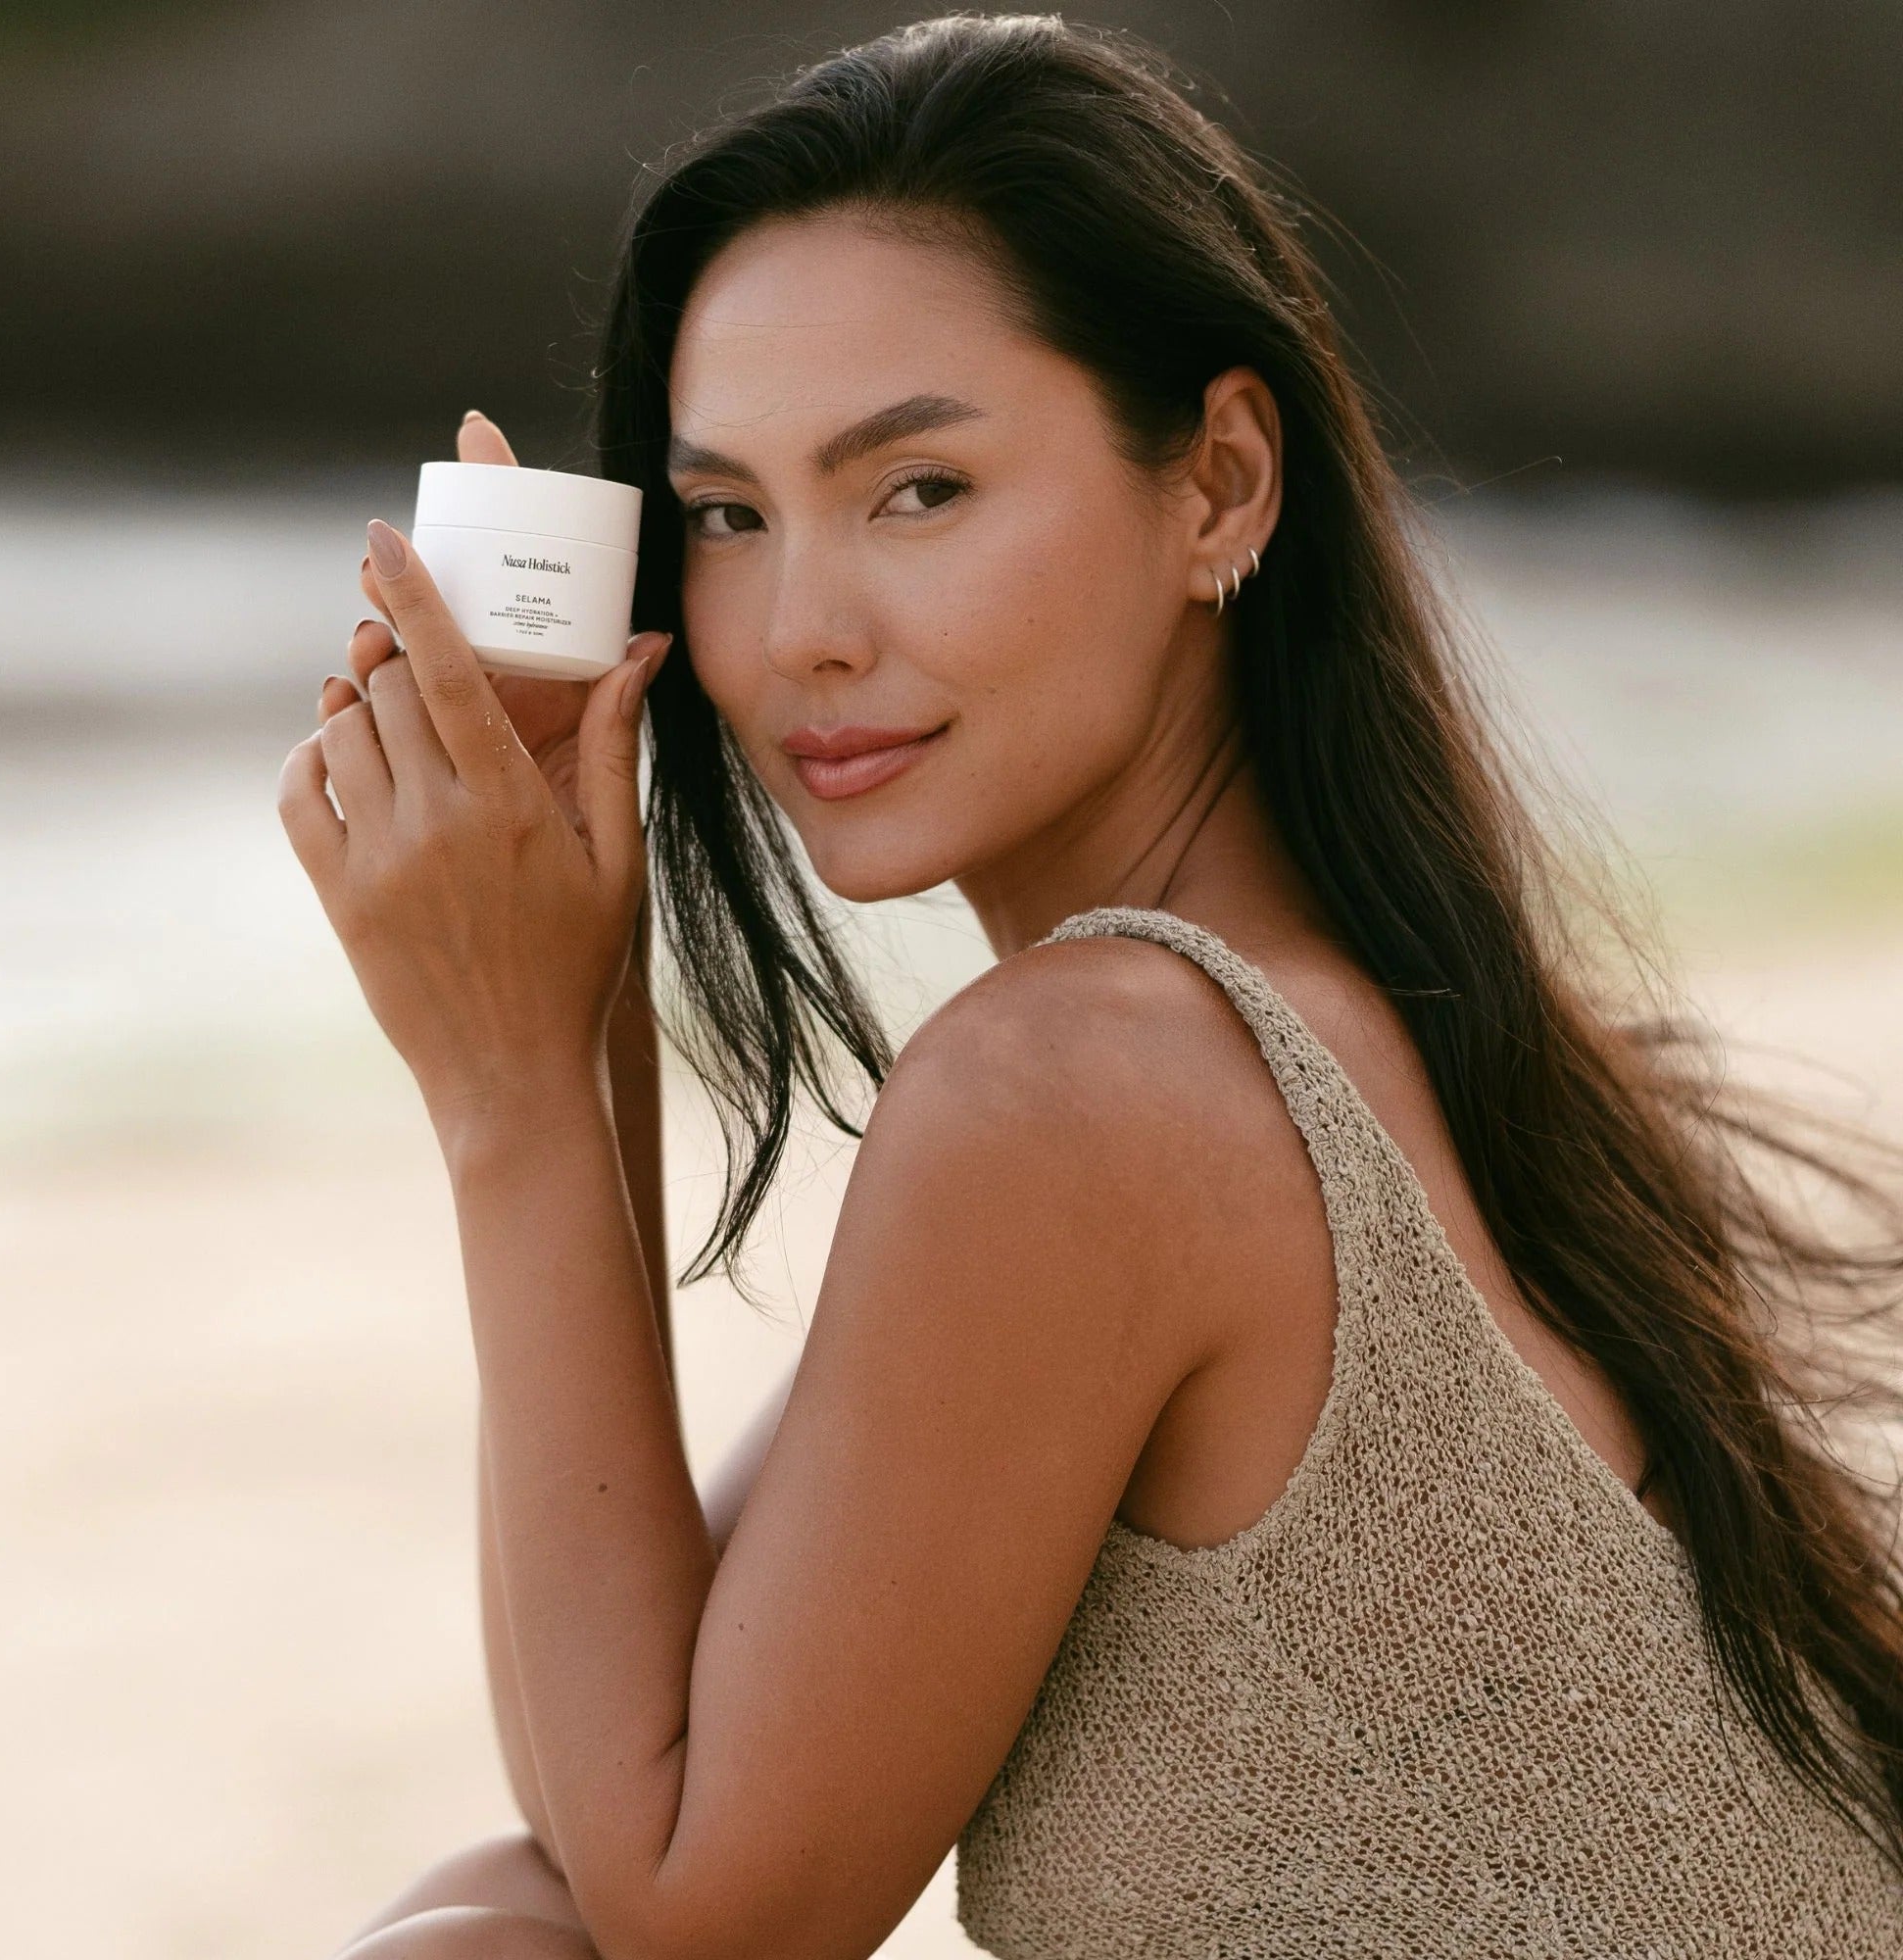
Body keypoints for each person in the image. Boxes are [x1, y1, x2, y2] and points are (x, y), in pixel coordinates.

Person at [280, 15, 1903, 1957]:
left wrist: (512, 1083)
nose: (800, 632)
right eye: (727, 517)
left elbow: (701, 1906)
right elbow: (627, 1763)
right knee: (491, 1920)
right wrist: (575, 995)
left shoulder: (1088, 1092)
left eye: (918, 491)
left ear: (1217, 482)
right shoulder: (1345, 1025)